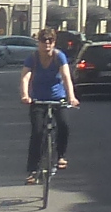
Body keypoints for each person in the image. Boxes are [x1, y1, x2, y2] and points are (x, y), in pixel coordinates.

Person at [20, 27, 77, 182]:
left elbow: (66, 77)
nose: (47, 43)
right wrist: (25, 95)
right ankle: (32, 170)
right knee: (37, 132)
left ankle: (60, 156)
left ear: (54, 42)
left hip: (58, 98)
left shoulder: (59, 57)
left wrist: (71, 97)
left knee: (64, 125)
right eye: (43, 40)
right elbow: (25, 77)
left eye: (50, 41)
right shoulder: (33, 58)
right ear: (38, 42)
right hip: (38, 99)